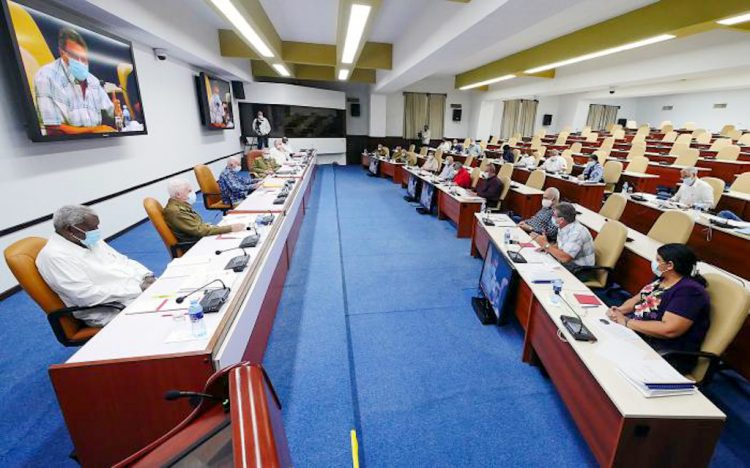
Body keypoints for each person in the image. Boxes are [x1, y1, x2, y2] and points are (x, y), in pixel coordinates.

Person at [36, 205, 155, 327]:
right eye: (92, 228)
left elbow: (123, 260)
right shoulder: (55, 256)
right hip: (113, 308)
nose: (97, 231)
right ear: (70, 230)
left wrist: (146, 276)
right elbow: (86, 296)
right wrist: (138, 289)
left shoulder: (87, 239)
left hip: (136, 292)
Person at [606, 244, 711, 373]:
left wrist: (627, 322)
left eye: (658, 260)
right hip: (638, 335)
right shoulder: (662, 279)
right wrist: (619, 311)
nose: (654, 263)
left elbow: (669, 329)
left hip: (665, 353)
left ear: (670, 265)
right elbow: (638, 298)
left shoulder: (690, 291)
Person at [34, 28, 117, 136]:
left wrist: (117, 114)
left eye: (84, 58)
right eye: (74, 56)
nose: (80, 63)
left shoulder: (93, 81)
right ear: (62, 52)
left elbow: (111, 113)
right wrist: (95, 130)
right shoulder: (46, 76)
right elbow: (52, 129)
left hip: (98, 145)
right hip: (61, 149)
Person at [163, 179, 244, 243]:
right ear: (178, 195)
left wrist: (206, 226)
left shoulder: (179, 205)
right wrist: (230, 228)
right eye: (189, 191)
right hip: (197, 243)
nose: (192, 193)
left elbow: (194, 226)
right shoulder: (176, 211)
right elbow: (200, 231)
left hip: (199, 237)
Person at [533, 202, 595, 270]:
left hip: (580, 270)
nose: (552, 217)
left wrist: (546, 245)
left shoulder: (577, 233)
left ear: (562, 220)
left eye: (554, 215)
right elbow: (562, 244)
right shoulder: (564, 226)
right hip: (569, 264)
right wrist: (547, 248)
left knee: (541, 269)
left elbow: (565, 258)